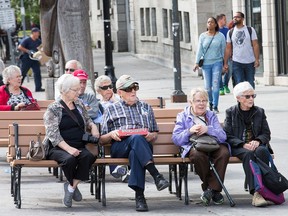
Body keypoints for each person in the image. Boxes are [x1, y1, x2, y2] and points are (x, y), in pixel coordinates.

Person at [99, 75, 169, 212]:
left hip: (142, 145)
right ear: (119, 92)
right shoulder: (111, 109)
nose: (133, 91)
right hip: (120, 146)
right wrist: (111, 134)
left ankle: (140, 197)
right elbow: (102, 140)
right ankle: (155, 175)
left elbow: (154, 132)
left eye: (135, 88)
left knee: (135, 150)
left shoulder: (146, 107)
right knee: (136, 140)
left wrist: (151, 135)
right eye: (128, 89)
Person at [44, 73, 100, 208]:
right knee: (69, 159)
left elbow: (87, 120)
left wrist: (93, 127)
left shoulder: (79, 104)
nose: (79, 91)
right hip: (58, 148)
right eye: (75, 89)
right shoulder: (54, 108)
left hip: (78, 145)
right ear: (64, 91)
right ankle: (73, 186)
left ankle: (70, 186)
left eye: (79, 88)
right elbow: (53, 135)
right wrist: (69, 149)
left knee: (88, 157)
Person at [172, 87, 229, 206]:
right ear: (191, 102)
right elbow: (176, 139)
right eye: (198, 101)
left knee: (224, 152)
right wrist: (189, 131)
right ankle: (214, 190)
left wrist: (208, 129)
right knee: (197, 156)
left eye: (204, 101)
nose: (202, 104)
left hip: (213, 145)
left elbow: (223, 137)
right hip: (194, 147)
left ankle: (210, 190)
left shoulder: (211, 115)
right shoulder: (183, 116)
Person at [223, 81, 273, 207]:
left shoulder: (259, 112)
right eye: (247, 96)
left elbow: (266, 133)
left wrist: (258, 141)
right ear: (238, 98)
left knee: (262, 151)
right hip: (239, 147)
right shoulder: (231, 112)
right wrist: (242, 144)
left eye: (253, 96)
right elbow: (227, 135)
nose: (251, 99)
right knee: (249, 155)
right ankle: (256, 193)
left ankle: (264, 189)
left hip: (256, 146)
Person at [94, 75, 129, 182]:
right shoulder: (97, 104)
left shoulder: (121, 101)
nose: (109, 89)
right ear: (98, 90)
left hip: (123, 131)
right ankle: (119, 169)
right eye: (105, 88)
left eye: (110, 86)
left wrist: (115, 101)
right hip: (107, 133)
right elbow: (98, 120)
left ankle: (119, 169)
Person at [193, 17, 226, 114]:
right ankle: (210, 102)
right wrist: (196, 62)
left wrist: (225, 64)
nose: (210, 24)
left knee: (215, 85)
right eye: (208, 22)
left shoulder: (220, 36)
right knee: (207, 87)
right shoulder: (203, 36)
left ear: (215, 24)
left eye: (212, 22)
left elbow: (224, 50)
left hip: (217, 62)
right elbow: (200, 50)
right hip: (206, 64)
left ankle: (215, 105)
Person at [223, 12, 260, 89]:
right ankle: (240, 101)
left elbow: (255, 45)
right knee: (239, 82)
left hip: (250, 61)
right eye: (234, 17)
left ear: (243, 19)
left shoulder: (250, 30)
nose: (235, 18)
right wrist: (225, 63)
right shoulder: (230, 32)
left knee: (250, 82)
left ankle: (250, 100)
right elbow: (228, 48)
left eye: (237, 17)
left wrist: (257, 59)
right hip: (237, 62)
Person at [18, 27, 44, 92]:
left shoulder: (38, 41)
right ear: (33, 33)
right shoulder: (27, 40)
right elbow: (20, 47)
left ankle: (38, 88)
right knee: (23, 73)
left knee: (37, 73)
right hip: (26, 59)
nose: (38, 34)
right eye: (37, 32)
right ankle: (18, 86)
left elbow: (40, 48)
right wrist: (28, 51)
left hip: (35, 59)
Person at [216, 14, 232, 95]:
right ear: (220, 20)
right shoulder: (215, 30)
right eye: (224, 19)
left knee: (229, 70)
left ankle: (225, 84)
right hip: (217, 55)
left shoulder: (227, 30)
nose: (225, 21)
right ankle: (221, 87)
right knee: (218, 71)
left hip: (227, 54)